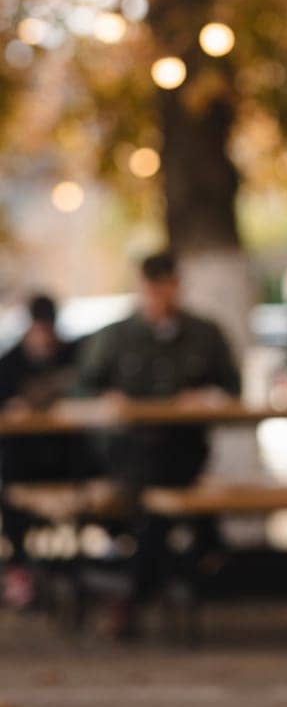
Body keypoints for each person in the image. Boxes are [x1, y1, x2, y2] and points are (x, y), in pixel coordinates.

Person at [74, 250, 242, 634]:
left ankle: (130, 596)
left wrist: (205, 396)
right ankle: (207, 545)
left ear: (176, 286)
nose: (158, 297)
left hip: (183, 450)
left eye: (165, 287)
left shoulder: (204, 332)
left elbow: (233, 387)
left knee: (158, 502)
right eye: (151, 289)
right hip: (127, 449)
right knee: (160, 500)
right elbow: (82, 387)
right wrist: (108, 400)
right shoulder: (116, 337)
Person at [0, 293, 84, 610]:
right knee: (11, 488)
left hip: (65, 458)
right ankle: (18, 568)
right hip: (24, 460)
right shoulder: (10, 363)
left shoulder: (73, 354)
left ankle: (93, 575)